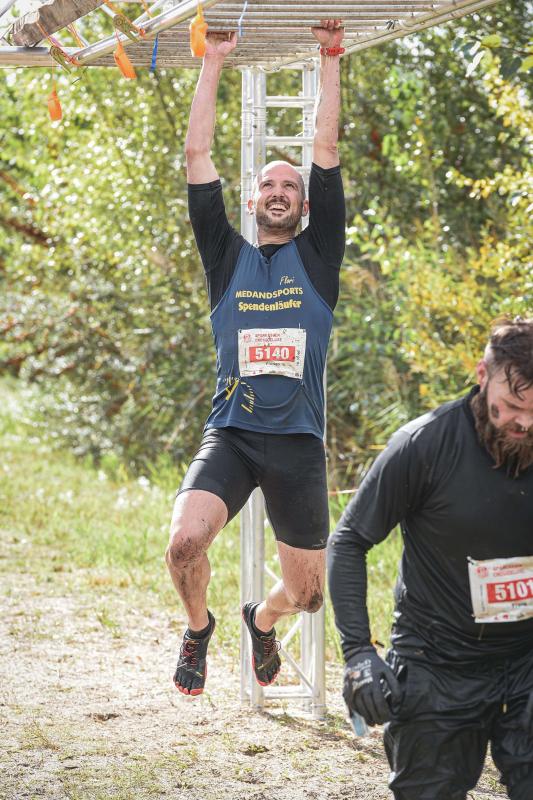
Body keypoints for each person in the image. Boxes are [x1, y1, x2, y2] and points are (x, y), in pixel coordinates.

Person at [166, 20, 346, 696]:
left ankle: (259, 619)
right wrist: (212, 61)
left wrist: (331, 56)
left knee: (308, 596)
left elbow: (325, 146)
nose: (277, 191)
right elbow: (196, 152)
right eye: (267, 184)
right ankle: (199, 628)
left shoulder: (319, 258)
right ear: (251, 199)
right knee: (183, 545)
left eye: (289, 187)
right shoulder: (225, 257)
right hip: (234, 435)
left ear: (303, 204)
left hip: (298, 442)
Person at [328, 317, 533, 800]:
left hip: (527, 659)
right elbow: (350, 541)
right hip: (437, 664)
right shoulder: (425, 444)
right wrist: (358, 654)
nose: (525, 424)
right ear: (482, 376)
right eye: (511, 407)